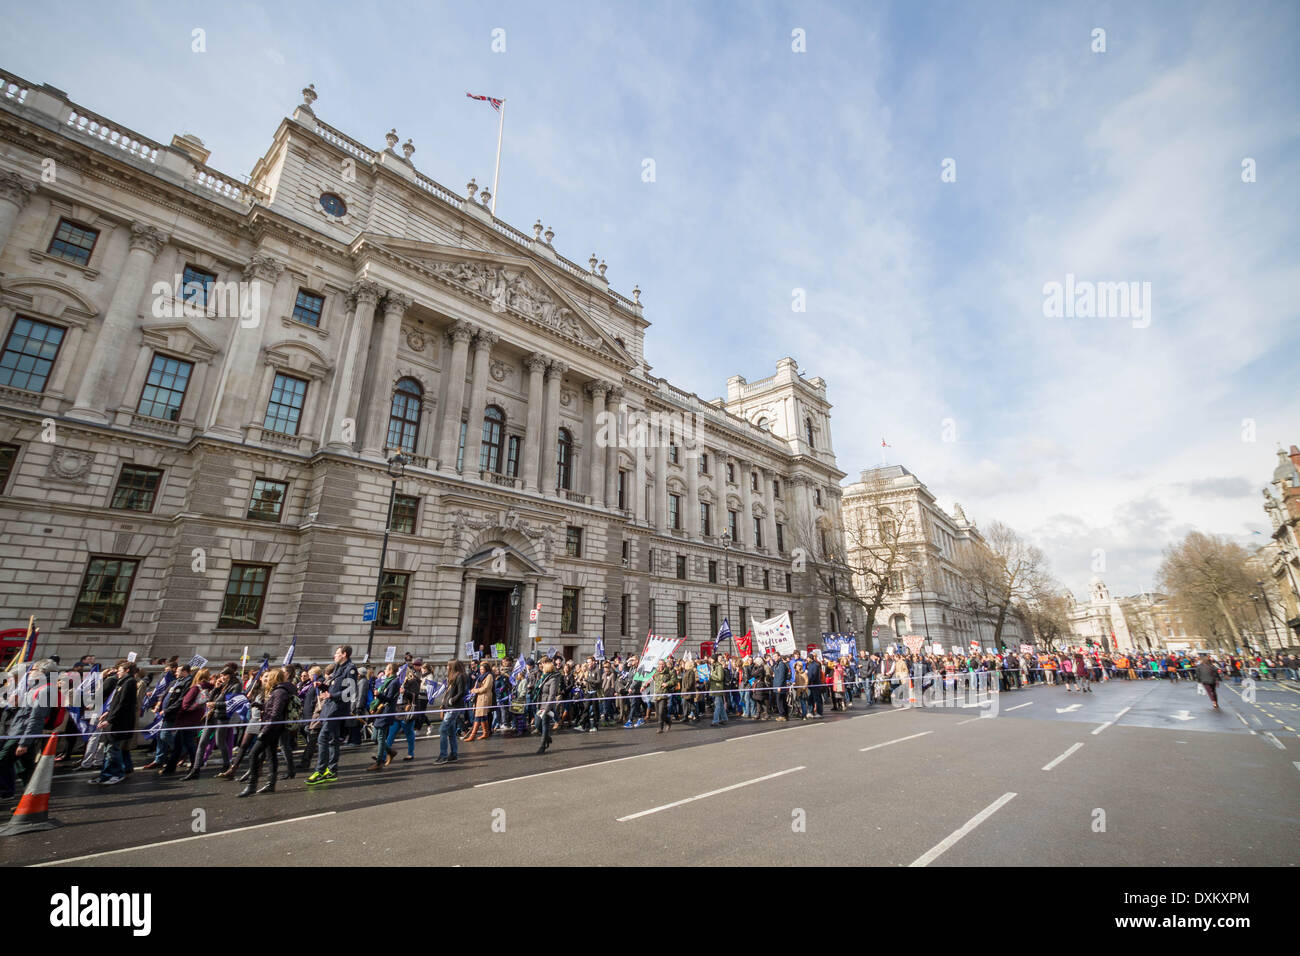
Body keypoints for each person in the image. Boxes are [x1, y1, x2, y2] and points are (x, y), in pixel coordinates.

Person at [307, 645, 358, 784]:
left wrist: (332, 695)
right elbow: (334, 686)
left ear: (344, 654)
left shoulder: (350, 669)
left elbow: (351, 692)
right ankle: (332, 770)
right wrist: (322, 686)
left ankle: (320, 771)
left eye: (337, 653)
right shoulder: (338, 668)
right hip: (330, 707)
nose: (334, 655)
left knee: (322, 738)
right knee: (332, 739)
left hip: (337, 709)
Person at [239, 668, 293, 797]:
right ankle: (270, 784)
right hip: (273, 727)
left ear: (274, 678)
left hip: (271, 729)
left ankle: (252, 785)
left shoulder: (279, 691)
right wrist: (261, 706)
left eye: (269, 677)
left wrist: (265, 730)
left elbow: (276, 713)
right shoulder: (278, 690)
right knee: (271, 755)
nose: (266, 679)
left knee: (253, 754)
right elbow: (273, 709)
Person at [93, 660, 138, 785]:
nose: (117, 672)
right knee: (108, 750)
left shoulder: (129, 682)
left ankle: (117, 774)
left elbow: (123, 704)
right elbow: (116, 702)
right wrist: (107, 713)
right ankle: (105, 775)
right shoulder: (122, 682)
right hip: (114, 720)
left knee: (113, 750)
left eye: (120, 670)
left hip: (119, 723)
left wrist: (109, 720)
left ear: (127, 670)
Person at [367, 663, 400, 771]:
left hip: (386, 712)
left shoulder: (394, 682)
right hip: (380, 712)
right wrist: (375, 704)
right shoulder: (387, 681)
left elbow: (389, 699)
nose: (384, 670)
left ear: (390, 670)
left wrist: (378, 694)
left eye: (386, 669)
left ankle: (379, 762)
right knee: (374, 737)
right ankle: (390, 751)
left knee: (380, 737)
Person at [435, 660, 467, 764]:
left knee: (442, 730)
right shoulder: (453, 677)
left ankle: (443, 755)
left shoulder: (460, 676)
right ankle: (454, 754)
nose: (446, 667)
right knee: (451, 732)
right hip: (449, 707)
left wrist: (451, 700)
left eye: (448, 665)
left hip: (454, 707)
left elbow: (461, 692)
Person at [533, 657, 561, 753]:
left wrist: (547, 708)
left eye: (543, 666)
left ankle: (542, 746)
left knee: (545, 724)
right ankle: (547, 737)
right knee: (537, 724)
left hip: (546, 705)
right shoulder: (543, 677)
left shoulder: (553, 679)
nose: (541, 667)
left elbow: (552, 695)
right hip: (539, 704)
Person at [653, 660, 678, 733]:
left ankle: (660, 728)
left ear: (665, 665)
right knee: (658, 714)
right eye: (660, 664)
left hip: (664, 694)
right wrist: (643, 686)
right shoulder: (656, 672)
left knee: (661, 712)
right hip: (656, 694)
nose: (661, 666)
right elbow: (651, 679)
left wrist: (667, 684)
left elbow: (675, 681)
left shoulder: (670, 672)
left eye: (662, 664)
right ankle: (668, 721)